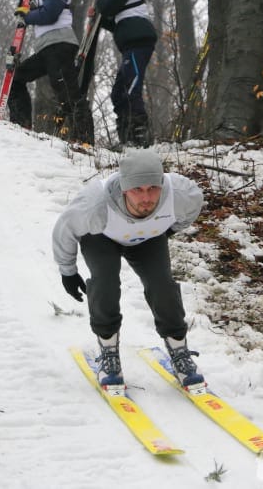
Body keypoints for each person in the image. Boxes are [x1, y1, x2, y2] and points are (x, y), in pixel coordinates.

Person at [52, 149, 205, 389]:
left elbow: (194, 209)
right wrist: (68, 271)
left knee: (162, 285)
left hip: (149, 238)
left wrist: (167, 231)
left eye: (153, 188)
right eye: (138, 190)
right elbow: (65, 230)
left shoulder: (181, 194)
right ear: (124, 188)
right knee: (105, 283)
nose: (147, 198)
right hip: (102, 237)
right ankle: (108, 350)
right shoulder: (96, 205)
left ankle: (179, 351)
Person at [9, 0, 94, 144]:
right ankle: (21, 126)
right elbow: (33, 10)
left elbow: (49, 13)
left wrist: (27, 16)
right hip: (45, 47)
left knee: (67, 93)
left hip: (60, 44)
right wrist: (24, 8)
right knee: (16, 80)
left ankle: (85, 140)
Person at [95, 0, 156, 147]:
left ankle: (140, 137)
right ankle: (126, 138)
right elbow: (117, 23)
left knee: (130, 89)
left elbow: (106, 6)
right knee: (118, 93)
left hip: (139, 41)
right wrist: (98, 19)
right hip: (131, 42)